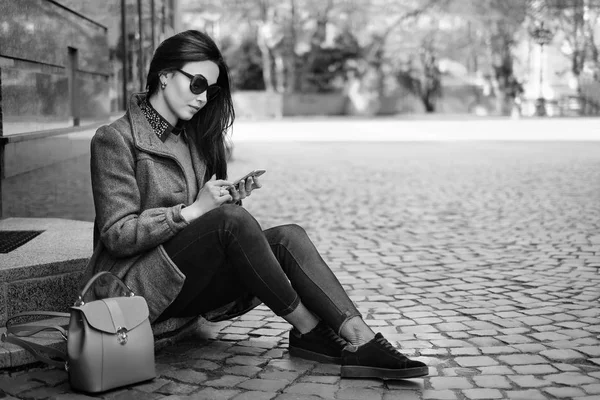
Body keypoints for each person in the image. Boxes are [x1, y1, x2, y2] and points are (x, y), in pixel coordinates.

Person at [84, 30, 428, 381]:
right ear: (166, 74)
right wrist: (195, 211)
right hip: (135, 289)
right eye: (198, 83)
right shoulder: (114, 139)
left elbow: (196, 228)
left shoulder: (190, 138)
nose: (204, 98)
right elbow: (117, 234)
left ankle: (361, 339)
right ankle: (310, 330)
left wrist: (220, 201)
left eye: (211, 90)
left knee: (287, 237)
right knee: (231, 221)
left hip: (184, 282)